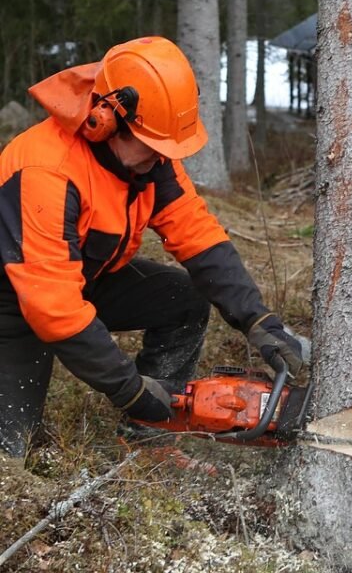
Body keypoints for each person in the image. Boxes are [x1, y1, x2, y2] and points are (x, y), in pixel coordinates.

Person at [0, 36, 303, 458]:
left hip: (84, 276)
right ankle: (144, 410)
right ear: (105, 121)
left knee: (185, 298)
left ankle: (150, 434)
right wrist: (131, 390)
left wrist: (257, 319)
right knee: (12, 451)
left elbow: (197, 234)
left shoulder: (150, 156)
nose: (162, 158)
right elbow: (53, 308)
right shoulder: (47, 170)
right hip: (14, 299)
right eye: (154, 147)